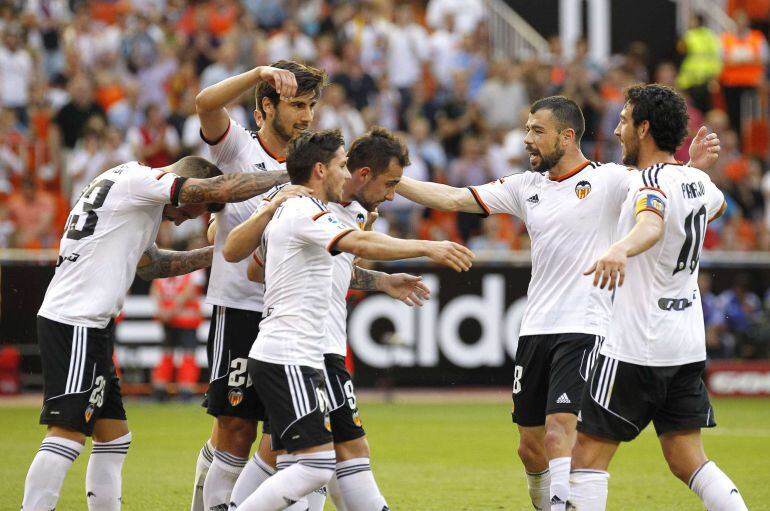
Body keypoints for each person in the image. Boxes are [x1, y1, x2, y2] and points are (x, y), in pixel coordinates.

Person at [396, 96, 720, 511]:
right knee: (531, 449)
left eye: (536, 131)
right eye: (527, 129)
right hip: (536, 329)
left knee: (559, 436)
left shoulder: (610, 179)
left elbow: (664, 194)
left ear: (567, 137)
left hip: (588, 326)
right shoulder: (524, 186)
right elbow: (454, 198)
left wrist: (690, 170)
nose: (526, 139)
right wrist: (393, 182)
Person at [21, 155, 290, 511]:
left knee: (114, 439)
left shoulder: (130, 186)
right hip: (76, 320)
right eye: (188, 211)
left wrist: (219, 254)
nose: (182, 220)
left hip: (91, 323)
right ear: (183, 186)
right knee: (67, 433)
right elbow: (220, 187)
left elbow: (150, 265)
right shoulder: (146, 182)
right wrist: (292, 174)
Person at [231, 129, 471, 510]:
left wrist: (380, 281)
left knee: (304, 456)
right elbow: (255, 266)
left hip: (312, 347)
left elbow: (338, 265)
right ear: (353, 172)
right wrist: (427, 246)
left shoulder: (348, 212)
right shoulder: (306, 209)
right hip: (306, 348)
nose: (392, 195)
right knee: (323, 457)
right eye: (389, 184)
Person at [570, 83, 747, 511]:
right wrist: (691, 170)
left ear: (644, 128)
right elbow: (713, 207)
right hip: (685, 345)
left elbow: (651, 222)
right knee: (687, 458)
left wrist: (620, 247)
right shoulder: (695, 182)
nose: (616, 130)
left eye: (625, 121)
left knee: (586, 460)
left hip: (635, 345)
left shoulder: (647, 182)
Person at [192, 59, 327, 511]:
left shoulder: (316, 164)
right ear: (264, 108)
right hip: (240, 306)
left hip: (293, 313)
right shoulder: (236, 148)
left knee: (290, 436)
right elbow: (204, 103)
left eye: (311, 105)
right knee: (234, 429)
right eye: (297, 105)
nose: (307, 116)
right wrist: (255, 74)